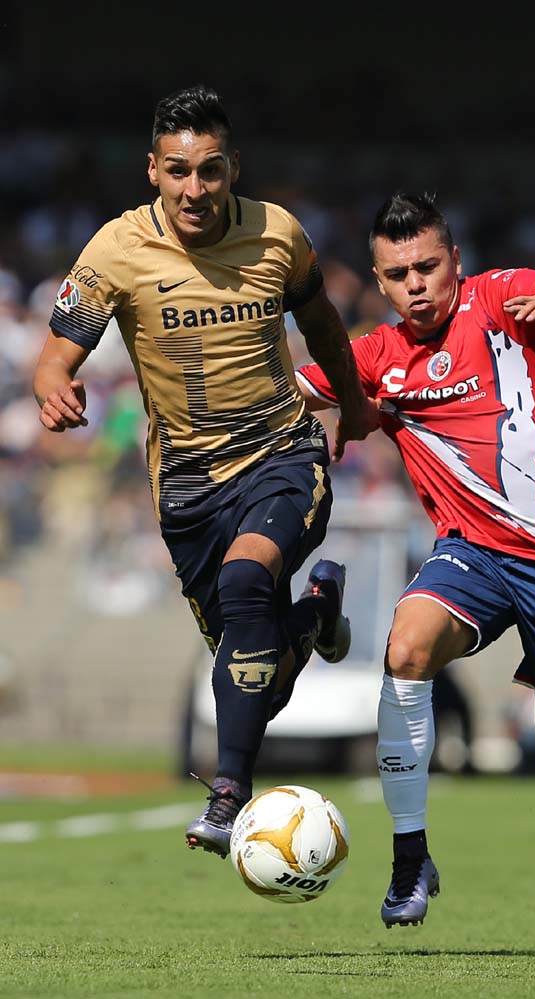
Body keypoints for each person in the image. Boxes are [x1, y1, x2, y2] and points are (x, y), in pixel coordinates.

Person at [33, 85, 378, 859]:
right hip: (188, 489)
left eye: (212, 170)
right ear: (153, 170)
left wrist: (351, 404)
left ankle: (228, 796)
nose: (197, 189)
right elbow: (54, 359)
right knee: (257, 670)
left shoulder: (278, 234)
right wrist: (55, 390)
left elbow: (320, 321)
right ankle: (316, 608)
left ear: (232, 169)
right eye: (180, 170)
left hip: (281, 455)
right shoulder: (115, 252)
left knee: (248, 585)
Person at [296, 192, 535, 956]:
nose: (416, 282)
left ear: (456, 264)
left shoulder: (502, 300)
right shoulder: (374, 358)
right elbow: (290, 392)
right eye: (398, 272)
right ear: (379, 281)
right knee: (405, 648)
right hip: (470, 553)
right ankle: (411, 862)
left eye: (428, 265)